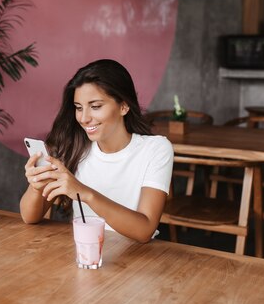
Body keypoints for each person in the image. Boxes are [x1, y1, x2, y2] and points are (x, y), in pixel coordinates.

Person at [19, 59, 173, 243]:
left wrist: (85, 193)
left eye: (95, 106)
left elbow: (145, 230)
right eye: (78, 108)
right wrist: (37, 186)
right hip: (85, 252)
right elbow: (29, 217)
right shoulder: (73, 146)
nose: (84, 118)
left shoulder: (155, 149)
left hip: (137, 258)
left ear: (123, 106)